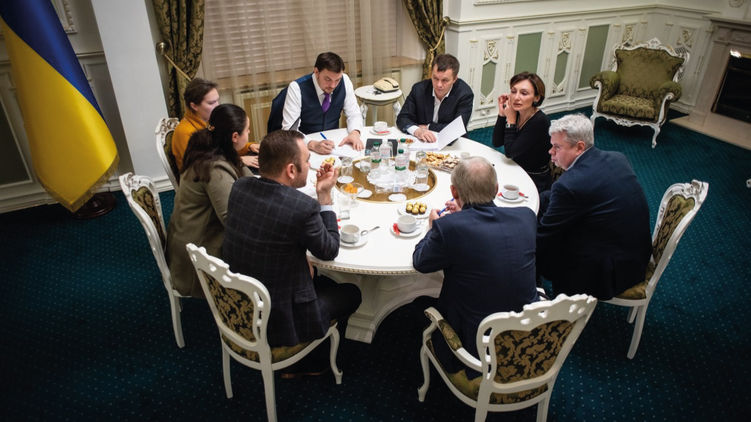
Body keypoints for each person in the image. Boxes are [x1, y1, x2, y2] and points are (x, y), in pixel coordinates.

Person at [222, 129, 362, 376]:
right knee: (352, 292)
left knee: (320, 277)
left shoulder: (240, 186)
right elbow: (329, 250)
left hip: (241, 301)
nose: (309, 165)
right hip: (280, 319)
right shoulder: (301, 208)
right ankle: (309, 361)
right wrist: (324, 197)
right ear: (290, 170)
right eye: (307, 161)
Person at [412, 157, 539, 377]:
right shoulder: (526, 217)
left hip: (477, 346)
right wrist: (462, 217)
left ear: (454, 191)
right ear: (496, 189)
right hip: (529, 335)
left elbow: (420, 262)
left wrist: (433, 227)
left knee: (417, 307)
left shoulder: (448, 228)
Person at [537, 114, 652, 300]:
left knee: (540, 250)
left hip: (609, 272)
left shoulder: (569, 185)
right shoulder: (617, 158)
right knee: (544, 200)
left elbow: (545, 235)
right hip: (636, 255)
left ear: (579, 147)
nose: (551, 152)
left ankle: (548, 301)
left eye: (557, 147)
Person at [166, 104, 254, 298]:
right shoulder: (214, 168)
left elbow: (246, 177)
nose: (249, 133)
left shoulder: (213, 147)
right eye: (247, 130)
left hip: (191, 233)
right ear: (234, 137)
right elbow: (232, 221)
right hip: (200, 251)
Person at [272, 52, 364, 153]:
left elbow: (354, 114)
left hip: (333, 144)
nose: (333, 86)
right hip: (304, 145)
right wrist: (312, 144)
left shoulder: (345, 80)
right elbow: (289, 130)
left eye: (337, 80)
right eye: (328, 79)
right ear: (316, 72)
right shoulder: (296, 88)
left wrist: (354, 133)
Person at [172, 78, 259, 172]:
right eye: (211, 103)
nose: (217, 106)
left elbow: (225, 146)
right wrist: (239, 159)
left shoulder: (210, 121)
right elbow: (202, 166)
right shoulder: (185, 132)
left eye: (217, 100)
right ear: (194, 106)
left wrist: (249, 146)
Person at [492, 72, 552, 193]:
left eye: (524, 93)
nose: (516, 97)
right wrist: (502, 114)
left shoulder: (540, 121)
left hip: (534, 179)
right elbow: (497, 142)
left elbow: (510, 152)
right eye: (513, 91)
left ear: (536, 98)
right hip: (516, 168)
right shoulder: (517, 112)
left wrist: (511, 120)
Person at [396, 54, 474, 143]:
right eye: (435, 78)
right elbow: (402, 118)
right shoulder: (419, 89)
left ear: (454, 79)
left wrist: (428, 127)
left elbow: (456, 129)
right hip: (422, 142)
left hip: (453, 143)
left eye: (445, 80)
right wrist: (417, 131)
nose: (439, 85)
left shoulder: (464, 94)